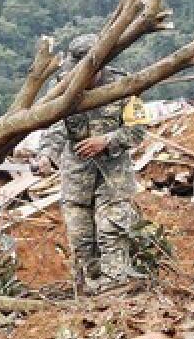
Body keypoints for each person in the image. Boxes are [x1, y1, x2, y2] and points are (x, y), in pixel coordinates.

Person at [33, 33, 144, 292]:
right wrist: (46, 156)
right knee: (81, 239)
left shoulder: (124, 85)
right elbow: (54, 127)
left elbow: (138, 129)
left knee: (111, 230)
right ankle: (90, 294)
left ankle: (116, 288)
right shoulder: (62, 86)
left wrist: (107, 140)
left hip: (114, 177)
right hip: (76, 178)